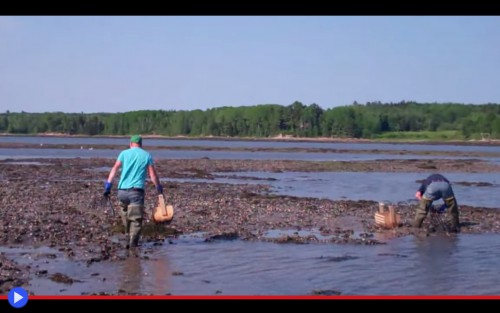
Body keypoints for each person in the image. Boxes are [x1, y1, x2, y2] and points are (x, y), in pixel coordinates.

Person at [103, 135, 163, 249]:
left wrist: (108, 186)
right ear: (141, 144)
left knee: (125, 214)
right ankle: (132, 245)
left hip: (122, 191)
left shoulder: (124, 154)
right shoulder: (146, 155)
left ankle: (128, 234)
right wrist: (158, 187)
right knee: (136, 219)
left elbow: (114, 169)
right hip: (136, 191)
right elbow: (152, 175)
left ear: (130, 143)